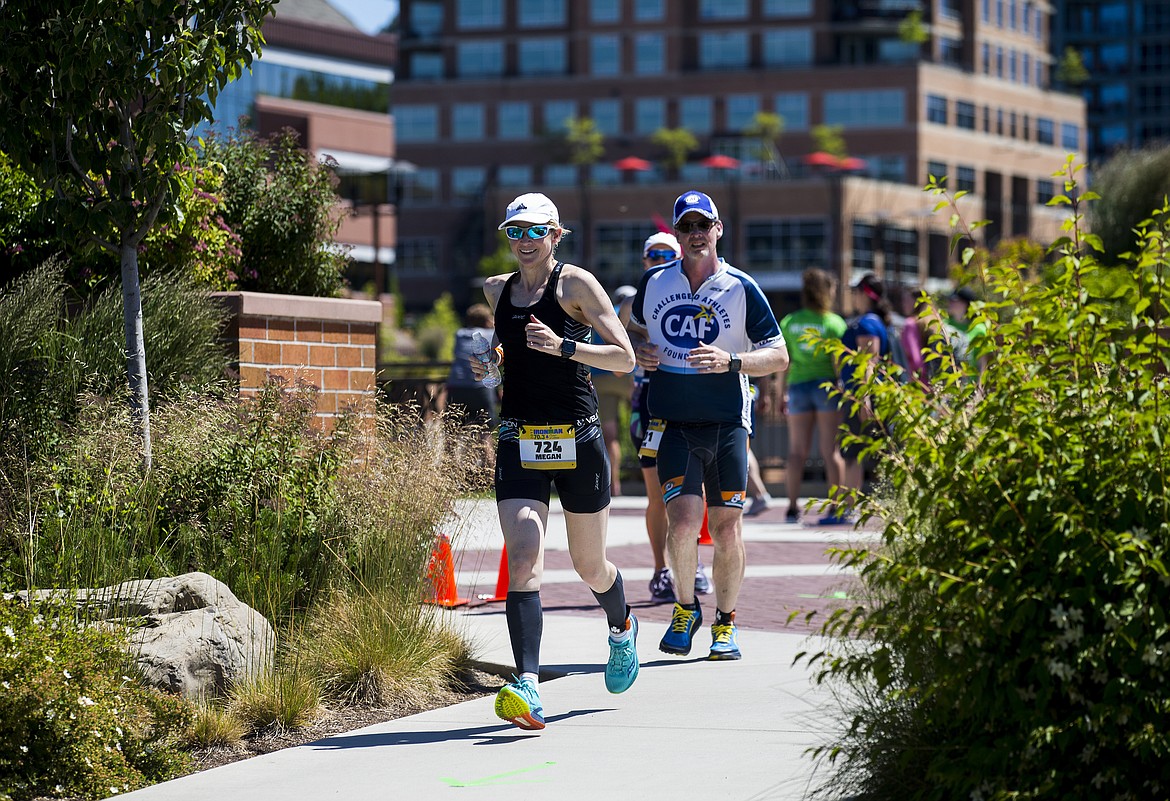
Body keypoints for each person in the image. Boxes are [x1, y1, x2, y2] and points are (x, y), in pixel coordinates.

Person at [470, 192, 638, 730]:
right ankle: (528, 685)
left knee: (589, 565)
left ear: (555, 235)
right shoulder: (497, 289)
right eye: (514, 232)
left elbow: (625, 358)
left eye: (534, 232)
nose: (523, 241)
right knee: (523, 556)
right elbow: (503, 360)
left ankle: (620, 626)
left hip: (578, 437)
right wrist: (487, 369)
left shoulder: (576, 285)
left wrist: (566, 346)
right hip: (519, 437)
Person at [628, 190, 789, 661]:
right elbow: (633, 329)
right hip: (673, 422)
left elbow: (779, 355)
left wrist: (732, 360)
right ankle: (684, 610)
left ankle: (725, 623)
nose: (696, 235)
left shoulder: (741, 287)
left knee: (724, 529)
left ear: (718, 230)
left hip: (726, 425)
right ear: (676, 235)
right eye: (687, 227)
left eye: (704, 226)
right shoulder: (654, 282)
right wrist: (640, 351)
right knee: (680, 527)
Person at [618, 231, 708, 603]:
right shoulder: (632, 303)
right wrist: (639, 349)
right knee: (657, 494)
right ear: (644, 261)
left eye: (667, 254)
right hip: (650, 405)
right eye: (652, 255)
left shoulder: (696, 295)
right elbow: (620, 348)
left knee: (693, 490)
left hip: (690, 402)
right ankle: (661, 569)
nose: (659, 261)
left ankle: (693, 563)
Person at [777, 268, 847, 523]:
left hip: (797, 387)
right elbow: (838, 363)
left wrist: (779, 393)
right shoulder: (834, 323)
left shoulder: (790, 321)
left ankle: (792, 508)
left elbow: (784, 362)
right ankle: (836, 507)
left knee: (796, 452)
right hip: (826, 386)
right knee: (831, 450)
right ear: (826, 292)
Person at [826, 272, 891, 526]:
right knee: (857, 452)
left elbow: (869, 362)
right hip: (860, 395)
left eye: (855, 291)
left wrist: (864, 398)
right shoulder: (870, 322)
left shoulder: (867, 324)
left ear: (865, 295)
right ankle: (850, 506)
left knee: (853, 453)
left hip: (861, 396)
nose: (852, 295)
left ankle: (848, 508)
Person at [591, 286, 637, 496]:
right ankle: (654, 477)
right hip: (629, 377)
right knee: (646, 425)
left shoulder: (600, 313)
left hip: (600, 377)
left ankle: (614, 484)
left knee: (610, 435)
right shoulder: (634, 312)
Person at [444, 303, 500, 468]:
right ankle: (491, 473)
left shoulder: (459, 334)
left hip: (456, 387)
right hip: (480, 389)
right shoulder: (490, 334)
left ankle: (448, 473)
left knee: (452, 433)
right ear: (486, 320)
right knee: (485, 434)